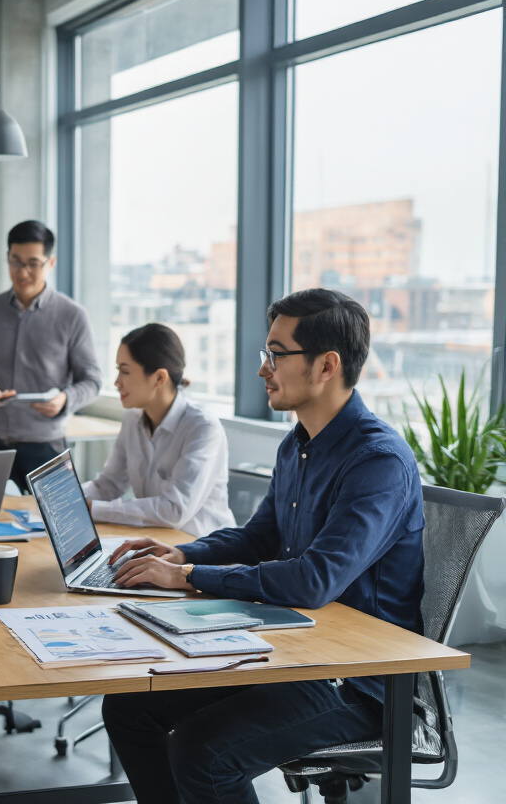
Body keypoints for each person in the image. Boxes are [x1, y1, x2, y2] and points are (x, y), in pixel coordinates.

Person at [101, 289, 425, 804]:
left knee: (203, 752)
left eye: (276, 354)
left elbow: (313, 580)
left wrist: (187, 579)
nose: (263, 370)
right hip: (294, 649)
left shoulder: (377, 462)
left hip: (359, 680)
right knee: (129, 707)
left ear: (327, 365)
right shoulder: (296, 443)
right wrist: (183, 555)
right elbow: (258, 538)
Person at [0, 220, 103, 489]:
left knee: (58, 527)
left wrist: (65, 399)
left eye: (33, 263)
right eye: (15, 261)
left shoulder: (73, 316)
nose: (22, 272)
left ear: (50, 263)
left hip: (46, 445)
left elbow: (92, 379)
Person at [81, 323, 235, 537]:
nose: (117, 382)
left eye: (125, 371)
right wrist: (69, 501)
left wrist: (95, 510)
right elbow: (109, 484)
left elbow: (174, 510)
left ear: (159, 378)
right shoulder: (132, 420)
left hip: (203, 551)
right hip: (158, 544)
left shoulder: (202, 428)